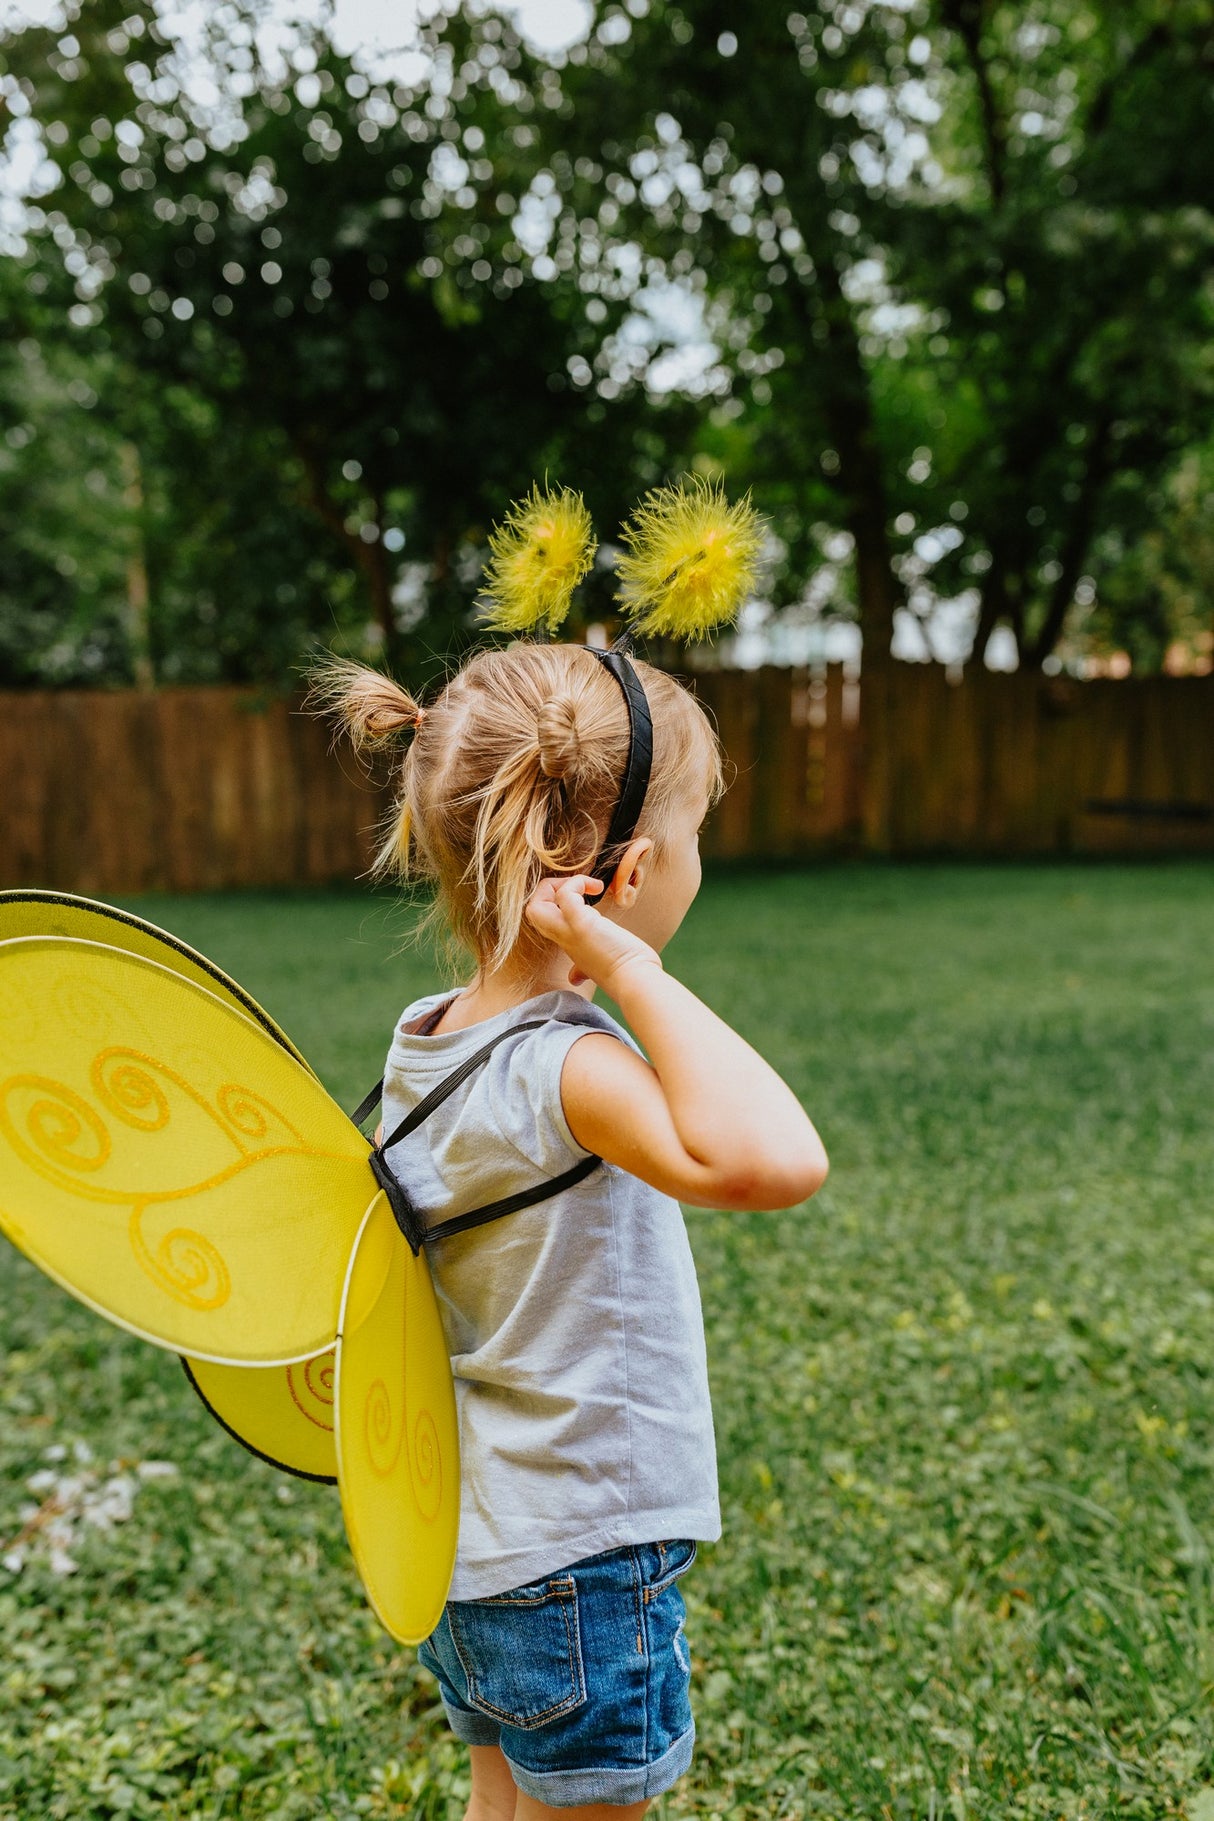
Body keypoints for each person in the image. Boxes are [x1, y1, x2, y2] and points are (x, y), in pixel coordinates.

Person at [317, 637, 829, 1821]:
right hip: (579, 1564)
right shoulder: (570, 1071)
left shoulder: (427, 1034)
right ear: (628, 874)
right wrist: (631, 972)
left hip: (474, 1547)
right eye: (693, 836)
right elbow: (773, 1160)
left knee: (498, 1803)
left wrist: (591, 968)